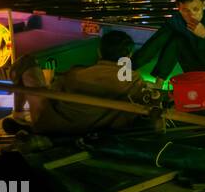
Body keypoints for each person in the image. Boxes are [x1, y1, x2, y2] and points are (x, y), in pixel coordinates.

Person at [8, 30, 146, 135]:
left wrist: (50, 82)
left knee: (26, 62)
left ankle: (19, 114)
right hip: (95, 128)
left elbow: (52, 96)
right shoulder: (133, 80)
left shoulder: (76, 73)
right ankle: (21, 118)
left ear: (99, 52)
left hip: (53, 125)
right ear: (128, 56)